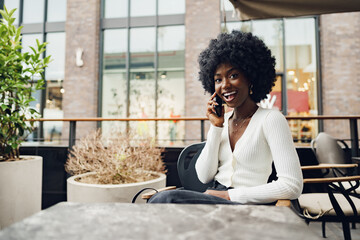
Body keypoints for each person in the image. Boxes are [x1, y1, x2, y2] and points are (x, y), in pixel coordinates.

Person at [149, 30, 303, 204]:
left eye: (233, 76)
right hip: (214, 198)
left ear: (251, 77)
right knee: (157, 198)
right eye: (218, 80)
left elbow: (292, 185)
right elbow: (204, 176)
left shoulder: (271, 120)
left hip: (244, 204)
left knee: (166, 199)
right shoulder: (223, 122)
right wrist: (215, 127)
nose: (225, 85)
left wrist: (231, 196)